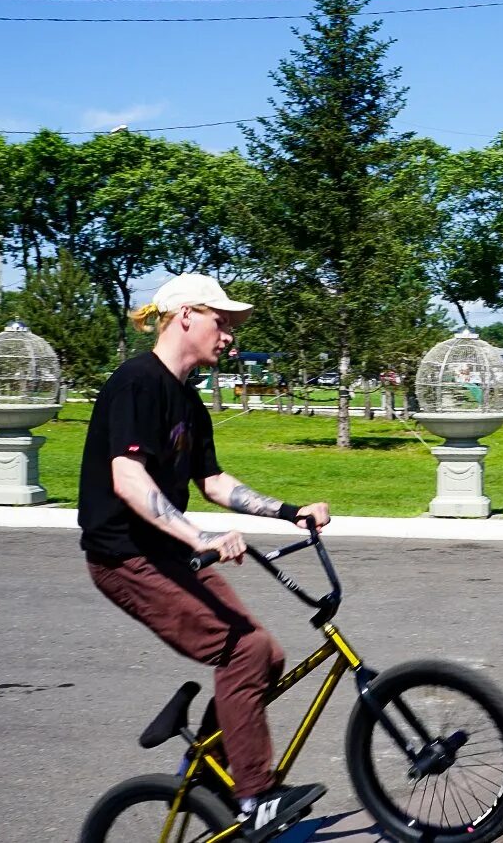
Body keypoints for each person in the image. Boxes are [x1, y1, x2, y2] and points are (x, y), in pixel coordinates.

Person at [78, 274, 332, 840]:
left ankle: (211, 783)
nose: (230, 338)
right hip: (125, 558)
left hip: (168, 553)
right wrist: (200, 539)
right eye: (223, 323)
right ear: (186, 316)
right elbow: (127, 476)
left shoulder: (188, 400)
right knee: (242, 651)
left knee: (264, 653)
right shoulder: (136, 384)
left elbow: (213, 481)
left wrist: (289, 511)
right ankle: (254, 799)